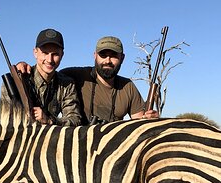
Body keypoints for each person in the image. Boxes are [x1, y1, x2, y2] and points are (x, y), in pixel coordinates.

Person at [16, 35, 158, 125]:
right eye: (103, 55)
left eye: (113, 56)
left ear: (122, 58)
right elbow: (47, 71)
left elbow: (140, 121)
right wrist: (23, 66)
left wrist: (151, 120)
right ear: (95, 56)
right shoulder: (74, 76)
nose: (108, 60)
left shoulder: (128, 87)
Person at [1, 28, 81, 126]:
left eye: (55, 54)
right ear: (35, 52)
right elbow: (5, 120)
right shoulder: (15, 82)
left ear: (62, 55)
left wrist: (49, 120)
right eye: (45, 53)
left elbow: (75, 119)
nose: (49, 59)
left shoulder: (67, 84)